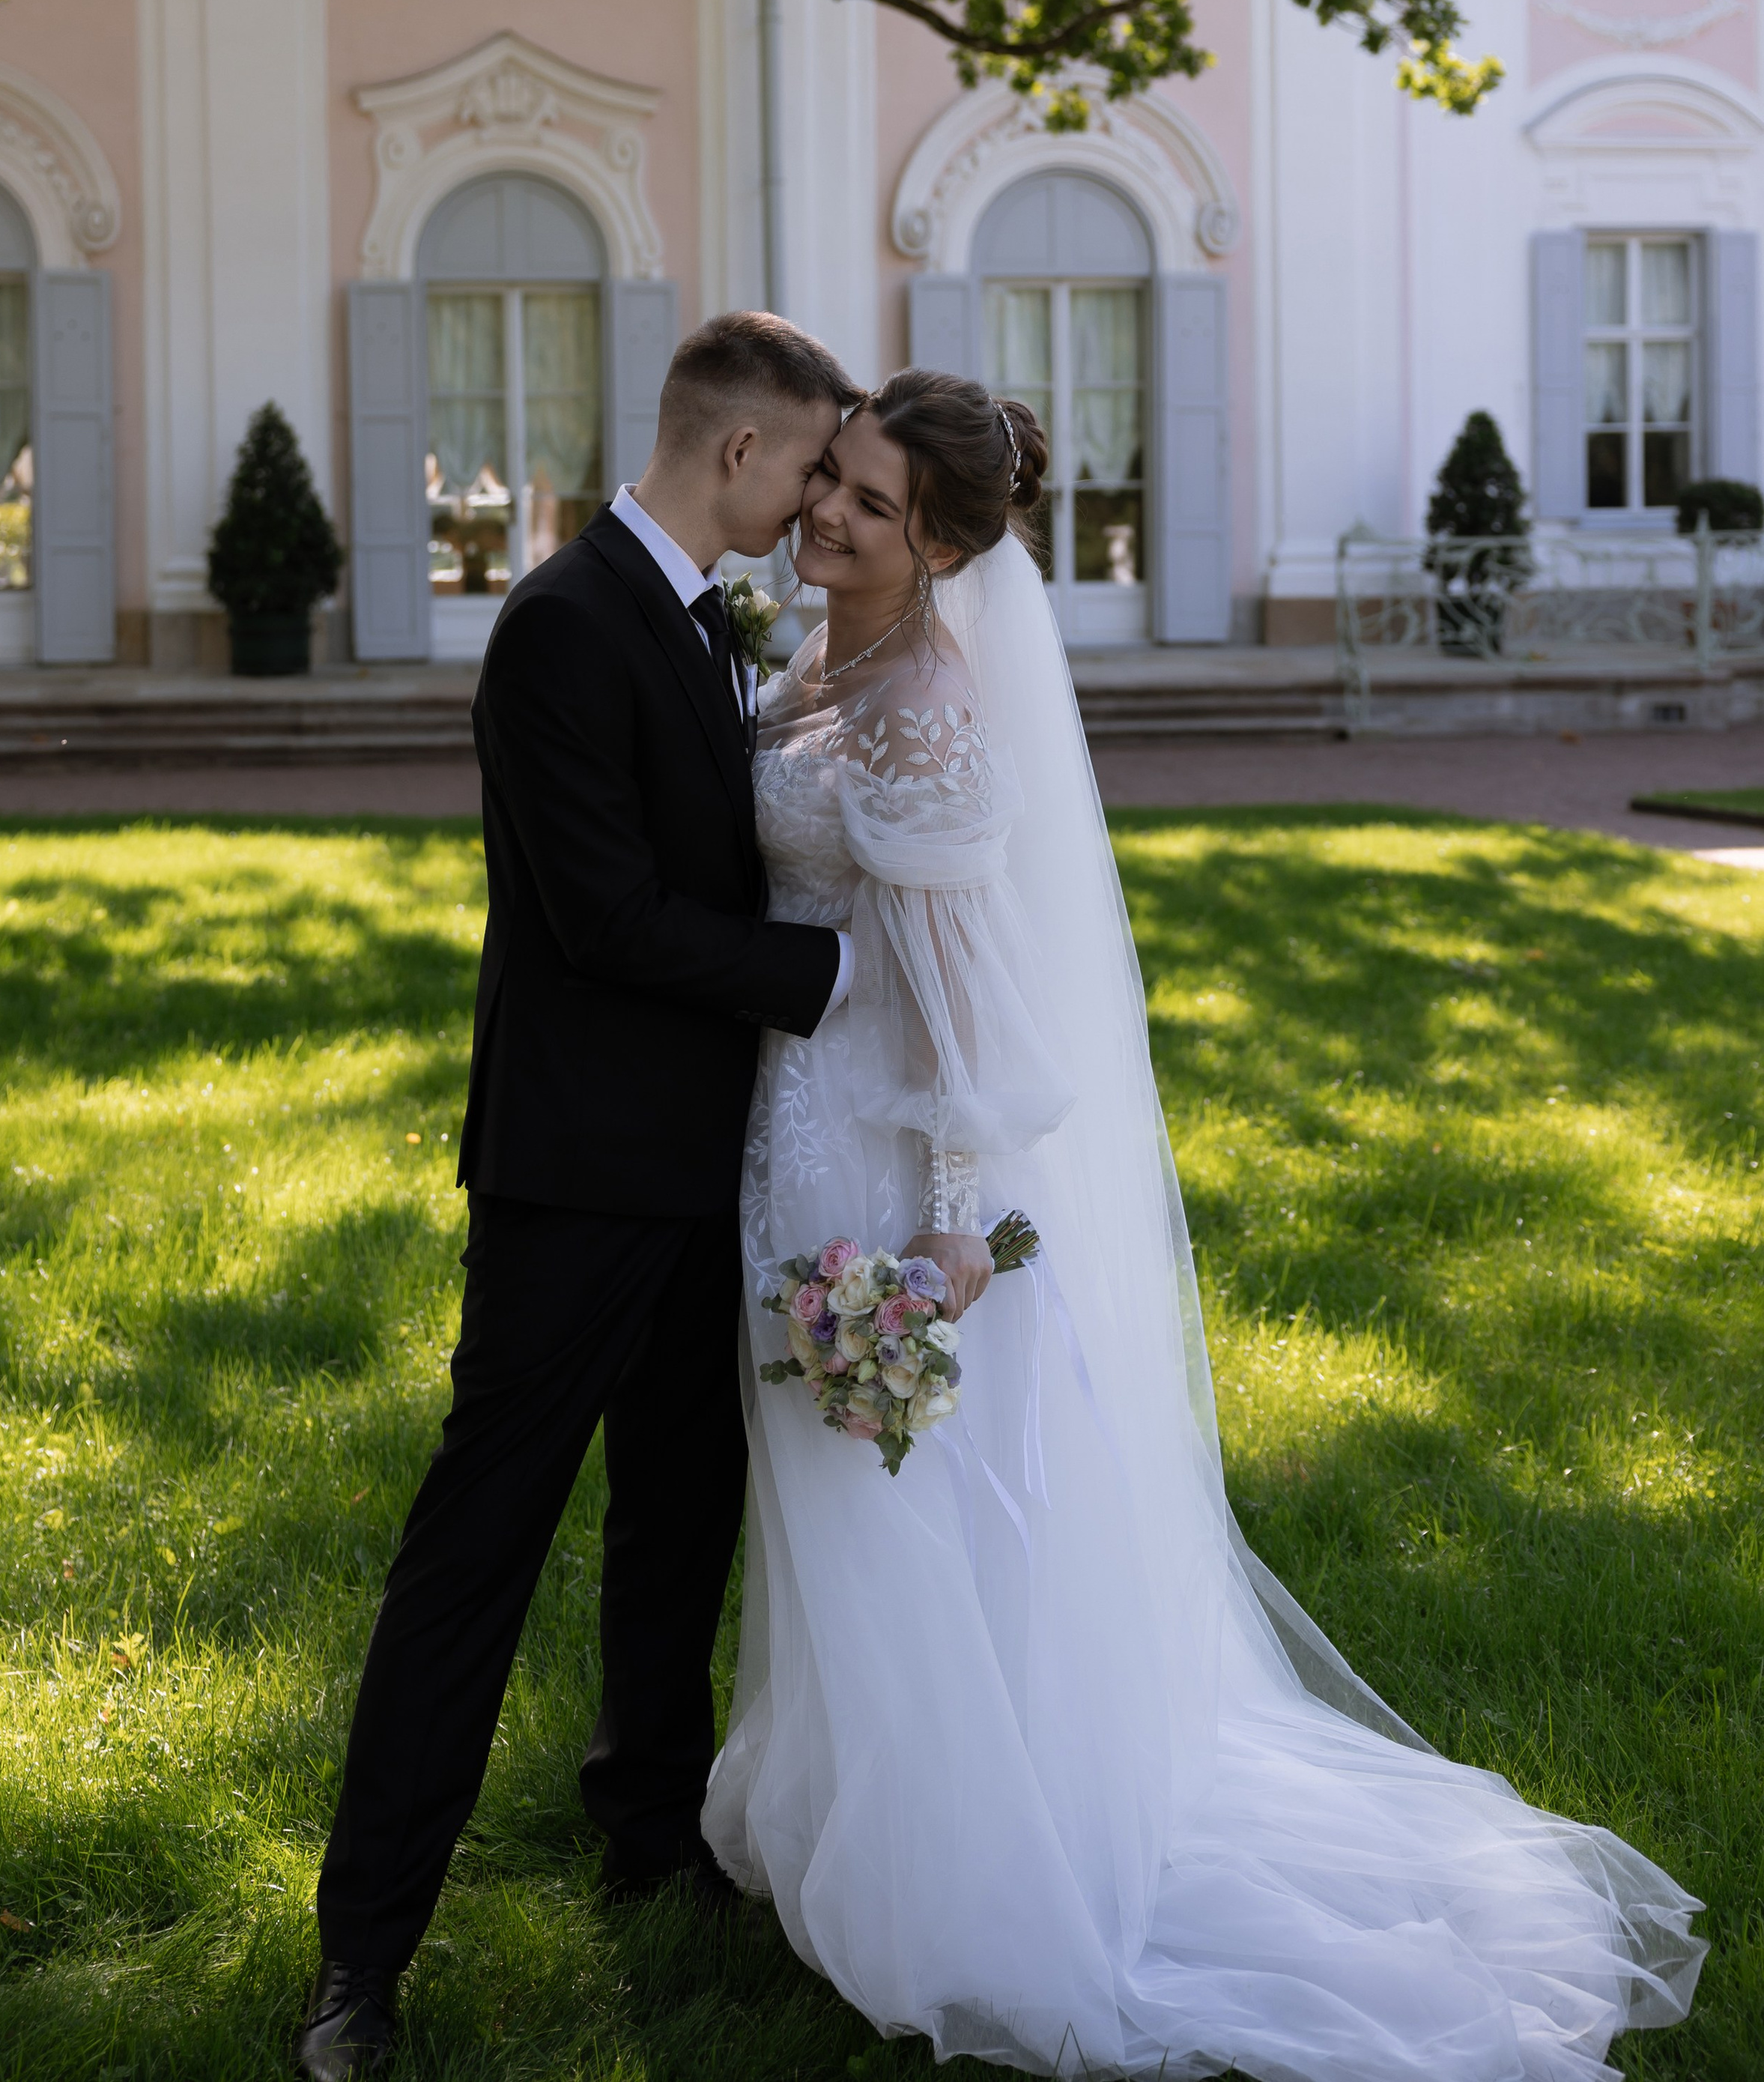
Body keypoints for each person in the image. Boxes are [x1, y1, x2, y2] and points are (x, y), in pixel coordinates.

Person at [702, 367, 1705, 2082]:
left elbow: (960, 998)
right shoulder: (818, 653)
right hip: (793, 1118)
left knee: (913, 1515)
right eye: (831, 484)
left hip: (880, 1165)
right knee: (835, 1515)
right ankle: (856, 1802)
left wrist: (940, 1241)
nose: (828, 516)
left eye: (871, 506)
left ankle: (974, 1861)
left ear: (938, 548)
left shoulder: (924, 698)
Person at [294, 312, 861, 2081]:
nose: (814, 505)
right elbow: (604, 918)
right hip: (574, 1179)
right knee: (478, 1548)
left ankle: (643, 1828)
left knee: (674, 1526)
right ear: (739, 453)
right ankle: (358, 1960)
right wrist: (834, 976)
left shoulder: (700, 617)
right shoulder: (557, 626)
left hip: (708, 1176)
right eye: (809, 469)